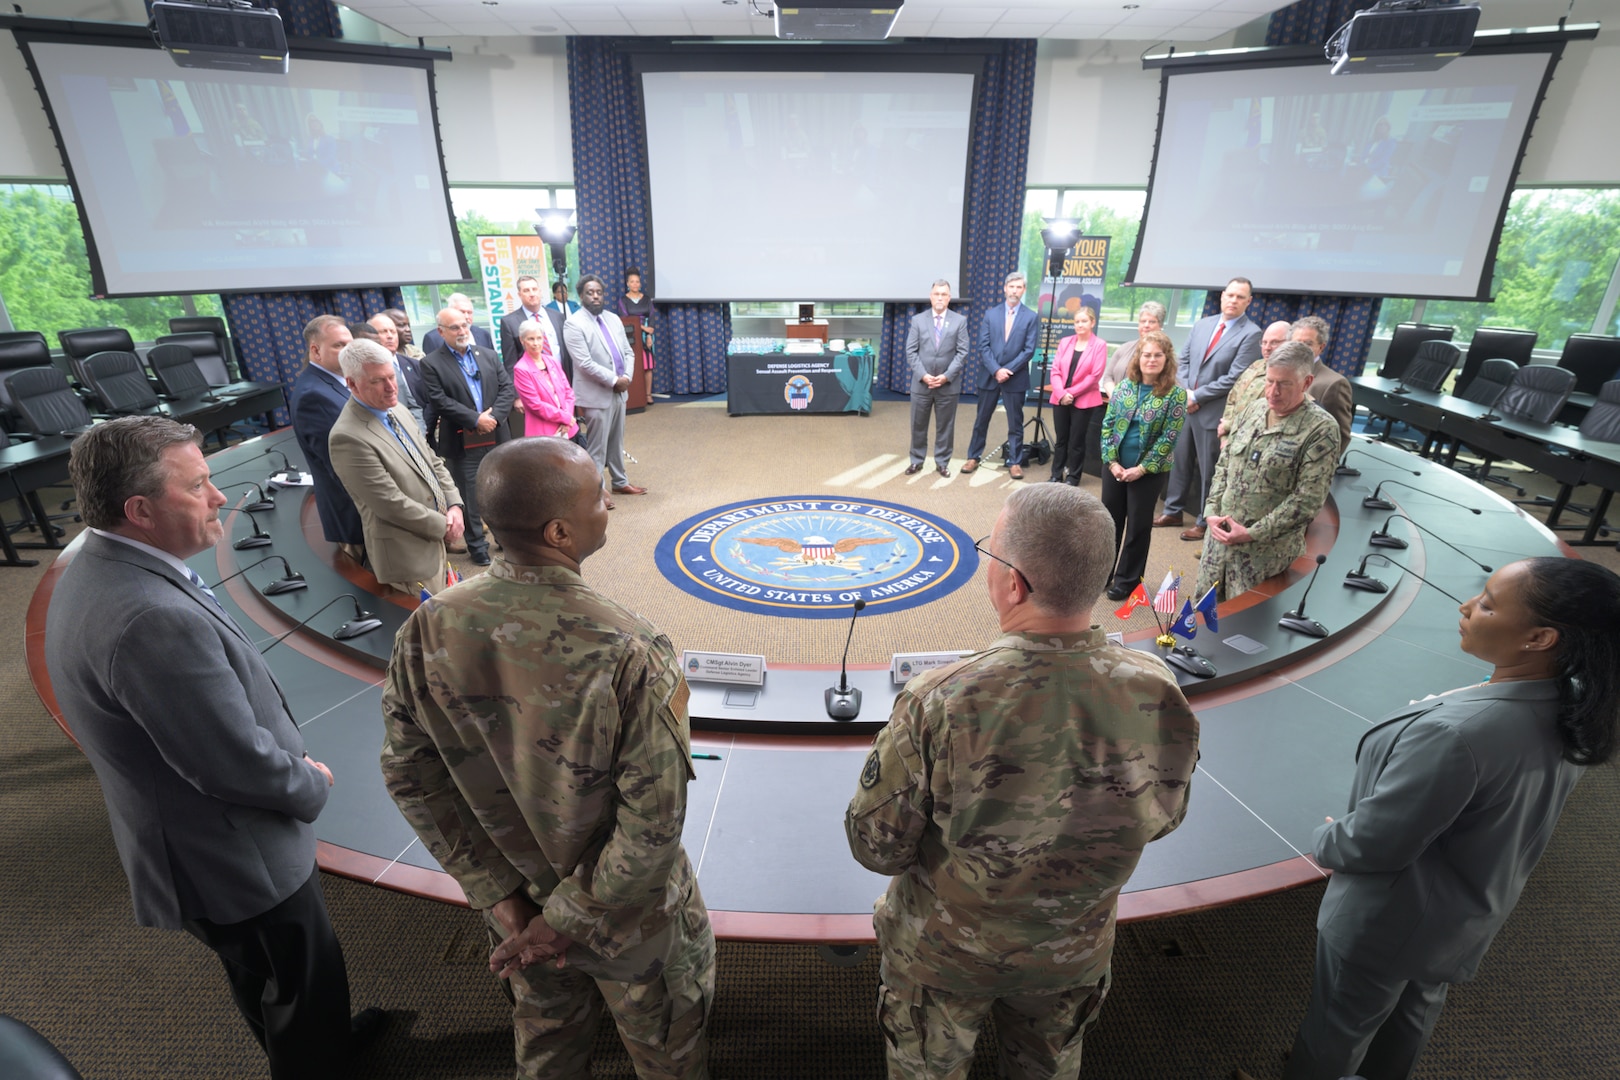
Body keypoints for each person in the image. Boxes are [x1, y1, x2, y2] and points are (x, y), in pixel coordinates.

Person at [44, 416, 382, 1079]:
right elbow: (230, 763)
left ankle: (320, 1046)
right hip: (233, 855)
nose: (220, 496)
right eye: (199, 486)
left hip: (195, 843)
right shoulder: (150, 619)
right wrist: (310, 782)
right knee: (297, 984)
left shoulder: (100, 563)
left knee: (269, 981)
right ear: (139, 510)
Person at [380, 437, 715, 1080]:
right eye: (598, 497)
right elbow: (654, 821)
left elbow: (409, 775)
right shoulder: (630, 646)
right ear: (559, 530)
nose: (609, 502)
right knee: (668, 1059)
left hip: (518, 909)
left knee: (547, 1054)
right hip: (629, 925)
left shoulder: (425, 628)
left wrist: (503, 901)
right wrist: (568, 921)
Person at [846, 484, 1199, 1080]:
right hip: (1072, 954)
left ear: (1013, 582)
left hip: (943, 958)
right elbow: (1166, 816)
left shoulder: (943, 700)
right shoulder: (1156, 688)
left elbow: (876, 847)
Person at [1281, 558, 1620, 1080]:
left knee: (1337, 1029)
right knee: (1410, 1017)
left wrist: (1325, 835)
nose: (1466, 607)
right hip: (1461, 911)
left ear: (1539, 637)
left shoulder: (1457, 733)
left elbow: (1375, 843)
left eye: (1486, 603)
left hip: (1388, 919)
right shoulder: (1576, 706)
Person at [1193, 342, 1338, 600]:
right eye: (1269, 381)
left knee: (1245, 629)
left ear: (1306, 383)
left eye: (1284, 384)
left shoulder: (1321, 429)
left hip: (1264, 555)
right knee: (1202, 618)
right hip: (1218, 544)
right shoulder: (1254, 410)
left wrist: (1251, 533)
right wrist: (1211, 512)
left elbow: (1308, 500)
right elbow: (1225, 465)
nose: (1272, 391)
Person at [327, 339, 465, 595]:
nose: (391, 388)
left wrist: (454, 504)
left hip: (433, 542)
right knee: (425, 628)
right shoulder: (347, 436)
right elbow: (389, 503)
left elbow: (431, 461)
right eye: (378, 381)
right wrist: (444, 526)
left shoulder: (397, 410)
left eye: (392, 376)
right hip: (406, 558)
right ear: (352, 383)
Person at [1154, 276, 1263, 541]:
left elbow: (1235, 376)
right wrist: (1186, 394)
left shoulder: (1251, 334)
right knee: (1179, 462)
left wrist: (1197, 396)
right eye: (1230, 295)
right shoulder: (1203, 324)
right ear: (1222, 296)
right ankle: (1173, 510)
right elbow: (1184, 360)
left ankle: (1204, 520)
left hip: (1214, 412)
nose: (1233, 300)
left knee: (1208, 472)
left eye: (1240, 297)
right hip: (1187, 405)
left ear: (1248, 301)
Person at [420, 306, 514, 567]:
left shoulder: (488, 355)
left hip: (496, 436)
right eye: (455, 327)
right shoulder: (431, 363)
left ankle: (505, 539)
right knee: (470, 497)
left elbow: (507, 388)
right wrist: (475, 419)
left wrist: (492, 418)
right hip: (462, 443)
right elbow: (438, 401)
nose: (462, 331)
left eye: (464, 325)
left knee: (502, 490)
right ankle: (477, 546)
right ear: (441, 332)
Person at [1099, 329, 1187, 601]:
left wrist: (1141, 469)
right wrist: (1111, 462)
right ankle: (1103, 573)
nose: (1151, 360)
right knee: (1109, 523)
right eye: (1146, 355)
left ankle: (1127, 580)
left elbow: (1168, 438)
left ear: (1166, 359)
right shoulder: (1125, 386)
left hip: (1148, 472)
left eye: (1157, 355)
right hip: (1115, 467)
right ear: (1138, 358)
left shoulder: (1175, 395)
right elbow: (1108, 425)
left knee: (1138, 527)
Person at [565, 274, 647, 507]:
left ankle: (620, 482)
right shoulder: (574, 323)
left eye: (599, 292)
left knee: (616, 441)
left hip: (620, 390)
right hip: (596, 393)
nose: (595, 296)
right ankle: (596, 492)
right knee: (597, 447)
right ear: (581, 296)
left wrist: (627, 377)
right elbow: (584, 363)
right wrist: (613, 380)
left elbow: (628, 352)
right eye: (590, 292)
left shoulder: (613, 318)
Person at [289, 314, 364, 558]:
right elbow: (341, 466)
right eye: (339, 345)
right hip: (356, 515)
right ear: (315, 350)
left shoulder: (339, 382)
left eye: (349, 343)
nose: (347, 350)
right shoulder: (314, 394)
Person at [962, 272, 1040, 479]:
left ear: (1023, 290)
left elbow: (1029, 350)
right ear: (1005, 288)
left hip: (1015, 378)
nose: (1014, 291)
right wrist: (996, 369)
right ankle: (973, 457)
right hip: (989, 375)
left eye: (1019, 287)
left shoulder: (1031, 317)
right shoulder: (991, 314)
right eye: (1011, 287)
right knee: (981, 419)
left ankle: (1014, 461)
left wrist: (1007, 370)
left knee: (1015, 422)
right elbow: (983, 346)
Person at [904, 278, 969, 477]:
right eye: (936, 294)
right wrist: (923, 376)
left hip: (947, 386)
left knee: (945, 427)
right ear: (931, 297)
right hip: (921, 385)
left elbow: (963, 352)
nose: (940, 298)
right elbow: (911, 351)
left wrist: (946, 376)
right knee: (918, 425)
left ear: (949, 298)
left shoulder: (959, 321)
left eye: (944, 294)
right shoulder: (918, 320)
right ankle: (916, 461)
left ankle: (942, 463)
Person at [1046, 305, 1107, 484]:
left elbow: (1094, 376)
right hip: (1060, 398)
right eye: (1077, 321)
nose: (1080, 325)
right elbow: (1055, 370)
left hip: (1084, 400)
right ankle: (1056, 474)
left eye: (1084, 321)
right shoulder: (1065, 342)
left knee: (1076, 441)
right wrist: (1061, 393)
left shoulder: (1099, 345)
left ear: (1092, 322)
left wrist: (1070, 393)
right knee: (1061, 439)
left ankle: (1073, 476)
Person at [1217, 320, 1293, 448]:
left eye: (1274, 342)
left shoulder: (1291, 377)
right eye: (1264, 342)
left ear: (1290, 343)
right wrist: (1225, 437)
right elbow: (1232, 399)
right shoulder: (1256, 366)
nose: (1267, 348)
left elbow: (1270, 414)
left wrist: (1229, 426)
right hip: (1231, 441)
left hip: (1257, 445)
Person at [1291, 315, 1356, 457]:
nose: (1301, 348)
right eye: (1297, 342)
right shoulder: (1278, 374)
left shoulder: (1334, 384)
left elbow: (1340, 436)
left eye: (1308, 343)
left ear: (1321, 347)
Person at [511, 318, 579, 440]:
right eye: (531, 339)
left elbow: (568, 392)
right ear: (522, 341)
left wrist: (567, 419)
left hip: (568, 428)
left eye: (539, 338)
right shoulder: (521, 369)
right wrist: (565, 418)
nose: (536, 343)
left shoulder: (552, 361)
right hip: (544, 433)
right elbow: (535, 405)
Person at [499, 274, 570, 378]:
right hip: (532, 383)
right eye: (526, 290)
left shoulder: (558, 317)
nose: (532, 294)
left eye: (534, 289)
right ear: (519, 295)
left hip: (562, 377)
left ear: (540, 291)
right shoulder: (509, 323)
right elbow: (510, 363)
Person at [369, 311, 427, 431]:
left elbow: (424, 401)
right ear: (371, 336)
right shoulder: (367, 372)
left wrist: (421, 431)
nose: (390, 336)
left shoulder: (414, 364)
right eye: (383, 332)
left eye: (393, 331)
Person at [1099, 300, 1166, 400]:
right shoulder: (1124, 348)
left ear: (1160, 326)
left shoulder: (1165, 353)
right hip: (1117, 406)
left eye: (1152, 321)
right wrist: (1116, 398)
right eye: (1143, 321)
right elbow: (1108, 377)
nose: (1146, 325)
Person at [420, 292, 495, 354]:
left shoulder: (483, 334)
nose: (466, 316)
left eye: (469, 312)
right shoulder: (433, 339)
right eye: (461, 312)